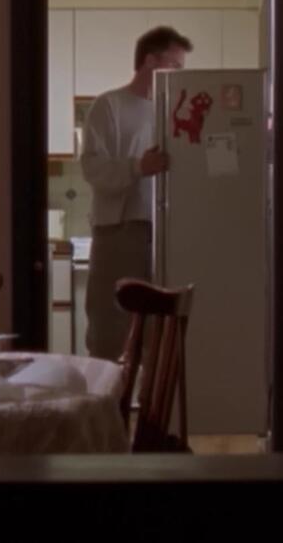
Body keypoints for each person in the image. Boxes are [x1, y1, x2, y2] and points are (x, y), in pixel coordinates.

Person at [80, 26, 192, 360]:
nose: (178, 74)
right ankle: (108, 391)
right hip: (120, 229)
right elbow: (93, 168)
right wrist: (138, 167)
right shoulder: (109, 106)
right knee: (110, 321)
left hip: (167, 231)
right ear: (150, 61)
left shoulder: (173, 110)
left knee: (160, 322)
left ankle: (151, 391)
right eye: (174, 65)